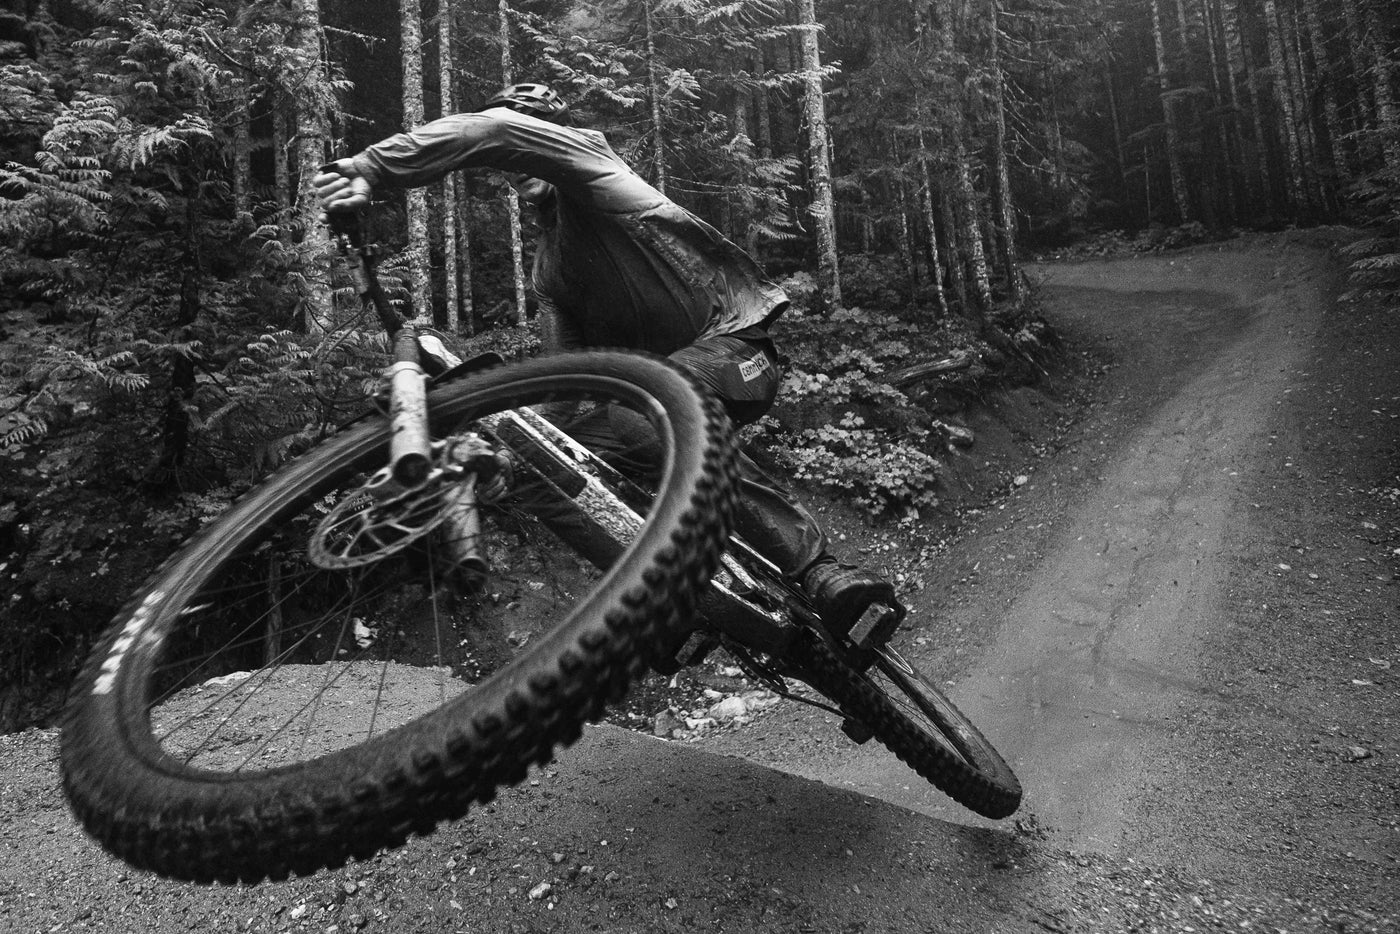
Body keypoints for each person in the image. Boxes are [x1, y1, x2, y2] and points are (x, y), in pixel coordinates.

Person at [313, 82, 902, 637]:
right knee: (536, 471)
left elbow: (497, 132)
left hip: (735, 350)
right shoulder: (550, 268)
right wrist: (505, 441)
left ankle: (818, 569)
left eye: (533, 130)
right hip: (653, 393)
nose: (518, 162)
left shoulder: (592, 164)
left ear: (554, 134)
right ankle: (680, 602)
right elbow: (563, 388)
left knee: (653, 403)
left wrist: (372, 166)